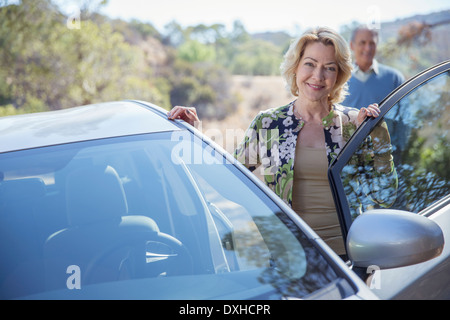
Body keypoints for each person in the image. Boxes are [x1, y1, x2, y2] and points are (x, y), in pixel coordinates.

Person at [168, 27, 391, 256]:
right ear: (295, 68)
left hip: (350, 257)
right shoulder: (268, 124)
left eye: (329, 68)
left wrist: (378, 135)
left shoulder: (355, 123)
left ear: (339, 75)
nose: (318, 75)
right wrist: (193, 134)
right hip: (291, 259)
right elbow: (227, 179)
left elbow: (384, 195)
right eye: (310, 64)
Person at [342, 26, 405, 109]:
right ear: (351, 45)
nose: (368, 48)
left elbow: (404, 114)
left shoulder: (394, 78)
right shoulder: (341, 78)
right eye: (362, 43)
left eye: (372, 43)